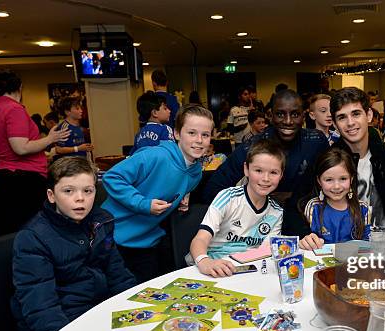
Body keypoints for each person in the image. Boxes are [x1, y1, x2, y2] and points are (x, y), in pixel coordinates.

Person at [11, 157, 136, 331]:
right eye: (68, 191)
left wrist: (135, 307)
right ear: (51, 196)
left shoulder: (103, 221)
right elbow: (41, 305)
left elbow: (117, 272)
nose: (80, 198)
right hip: (64, 321)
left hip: (99, 308)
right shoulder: (32, 238)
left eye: (88, 191)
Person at [102, 104, 213, 283]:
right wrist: (143, 203)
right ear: (177, 134)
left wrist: (182, 197)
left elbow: (175, 184)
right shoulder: (155, 156)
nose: (199, 140)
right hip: (114, 237)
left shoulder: (196, 173)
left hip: (148, 240)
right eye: (191, 133)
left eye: (205, 135)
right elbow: (112, 177)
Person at [202, 89, 328, 207]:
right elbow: (213, 190)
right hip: (261, 219)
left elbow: (332, 177)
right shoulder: (253, 145)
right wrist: (253, 203)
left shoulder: (316, 141)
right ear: (271, 116)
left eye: (295, 114)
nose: (288, 121)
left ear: (303, 116)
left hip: (304, 217)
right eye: (280, 114)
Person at [328, 87, 385, 237]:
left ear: (369, 115)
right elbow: (303, 203)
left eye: (356, 114)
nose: (350, 123)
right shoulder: (328, 159)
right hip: (343, 241)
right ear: (334, 124)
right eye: (342, 117)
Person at [0, 69, 71, 234]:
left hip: (8, 176)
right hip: (24, 180)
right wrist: (50, 138)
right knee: (35, 232)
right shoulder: (14, 109)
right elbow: (20, 147)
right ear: (20, 87)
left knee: (16, 231)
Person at [190, 139, 285, 277]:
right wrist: (204, 262)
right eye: (258, 170)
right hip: (213, 266)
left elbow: (266, 252)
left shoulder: (276, 212)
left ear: (281, 175)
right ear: (246, 169)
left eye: (273, 172)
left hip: (246, 271)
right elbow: (200, 239)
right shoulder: (228, 197)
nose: (266, 178)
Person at [302, 148, 370, 245]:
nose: (337, 186)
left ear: (351, 179)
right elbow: (307, 240)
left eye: (343, 179)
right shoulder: (313, 207)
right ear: (319, 181)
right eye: (329, 180)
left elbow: (367, 245)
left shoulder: (363, 208)